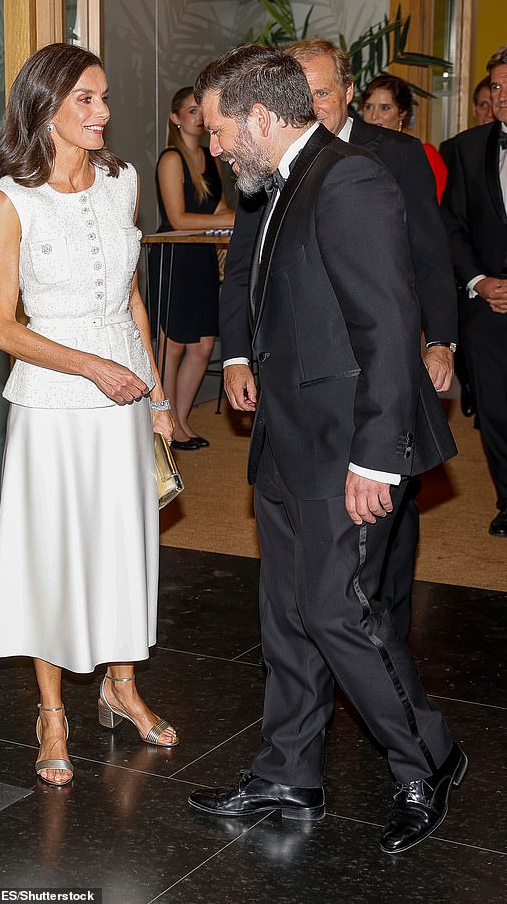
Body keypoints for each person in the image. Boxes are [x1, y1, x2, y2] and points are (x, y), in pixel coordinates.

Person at [188, 42, 466, 855]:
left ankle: (429, 756)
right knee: (287, 614)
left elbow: (385, 323)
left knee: (340, 611)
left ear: (263, 118)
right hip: (285, 440)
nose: (213, 146)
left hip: (349, 444)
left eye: (218, 131)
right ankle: (288, 772)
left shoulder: (349, 180)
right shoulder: (272, 184)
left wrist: (377, 458)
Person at [0, 43, 179, 788]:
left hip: (125, 390)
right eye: (86, 100)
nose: (102, 112)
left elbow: (130, 297)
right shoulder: (12, 198)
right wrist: (92, 366)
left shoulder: (123, 180)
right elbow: (1, 325)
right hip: (54, 398)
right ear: (45, 109)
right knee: (55, 550)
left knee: (124, 542)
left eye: (103, 97)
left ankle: (121, 684)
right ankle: (53, 712)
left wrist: (157, 396)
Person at [220, 37, 458, 640]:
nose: (311, 102)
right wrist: (239, 354)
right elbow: (246, 266)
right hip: (298, 405)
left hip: (372, 392)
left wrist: (441, 341)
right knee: (305, 597)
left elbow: (423, 265)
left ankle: (386, 647)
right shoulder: (263, 169)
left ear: (346, 93)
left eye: (321, 92)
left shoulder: (388, 160)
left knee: (374, 563)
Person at [441, 45, 507, 538]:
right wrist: (481, 282)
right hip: (486, 303)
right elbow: (452, 226)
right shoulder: (464, 148)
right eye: (497, 87)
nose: (502, 97)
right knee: (495, 409)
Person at [148, 86, 234, 450]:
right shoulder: (171, 158)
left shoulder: (210, 158)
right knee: (174, 346)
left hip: (201, 255)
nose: (199, 118)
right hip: (173, 256)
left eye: (202, 111)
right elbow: (178, 219)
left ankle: (181, 421)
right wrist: (234, 222)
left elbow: (219, 211)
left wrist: (242, 219)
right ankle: (164, 424)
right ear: (175, 118)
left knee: (202, 346)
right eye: (191, 111)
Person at [360, 73, 449, 202]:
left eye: (385, 108)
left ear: (402, 113)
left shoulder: (425, 153)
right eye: (368, 107)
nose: (374, 116)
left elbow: (438, 208)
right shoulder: (354, 152)